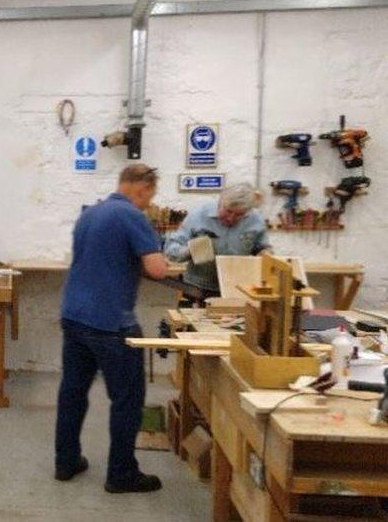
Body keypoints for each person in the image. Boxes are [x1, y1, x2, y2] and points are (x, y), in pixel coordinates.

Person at [56, 164, 168, 494]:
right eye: (150, 197)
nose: (148, 203)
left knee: (72, 392)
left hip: (74, 316)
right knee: (128, 399)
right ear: (143, 189)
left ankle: (66, 461)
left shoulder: (89, 214)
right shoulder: (133, 216)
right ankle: (121, 474)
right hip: (109, 324)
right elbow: (158, 269)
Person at [163, 182, 270, 297]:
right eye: (228, 211)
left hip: (238, 289)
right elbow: (171, 250)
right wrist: (190, 251)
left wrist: (266, 256)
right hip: (198, 289)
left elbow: (261, 248)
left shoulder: (255, 220)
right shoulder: (198, 215)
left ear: (248, 211)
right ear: (221, 202)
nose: (231, 218)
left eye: (239, 215)